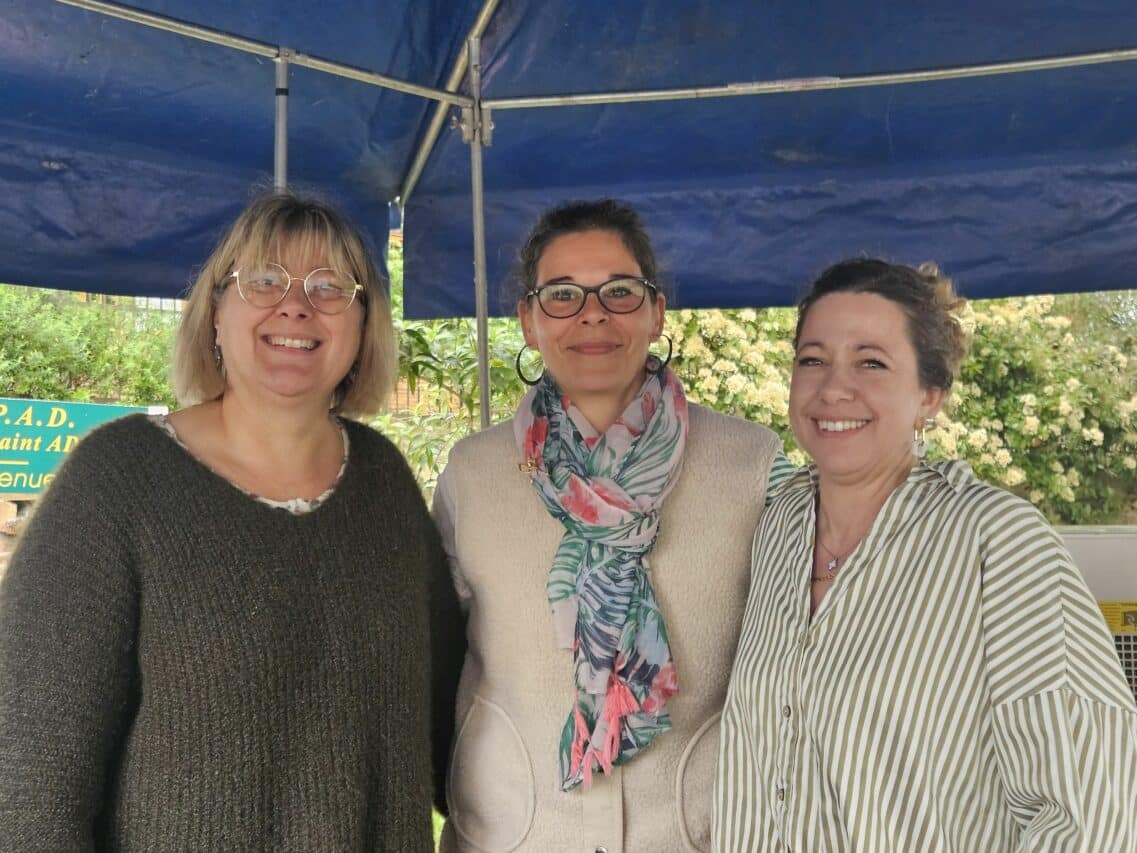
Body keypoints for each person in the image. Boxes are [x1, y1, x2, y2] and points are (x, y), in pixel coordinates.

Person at [0, 191, 465, 851]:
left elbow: (458, 723)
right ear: (215, 311)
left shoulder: (384, 482)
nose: (296, 305)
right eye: (264, 280)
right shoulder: (117, 482)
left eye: (330, 286)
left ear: (363, 327)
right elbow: (29, 789)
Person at [714, 258, 1137, 850]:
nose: (834, 387)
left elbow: (1086, 813)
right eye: (813, 359)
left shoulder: (997, 540)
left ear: (929, 396)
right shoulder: (777, 524)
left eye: (872, 362)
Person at [433, 199, 793, 852]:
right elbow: (434, 655)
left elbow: (796, 654)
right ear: (528, 319)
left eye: (618, 292)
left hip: (700, 836)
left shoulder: (750, 461)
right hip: (512, 835)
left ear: (656, 312)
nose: (591, 314)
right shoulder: (472, 472)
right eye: (562, 294)